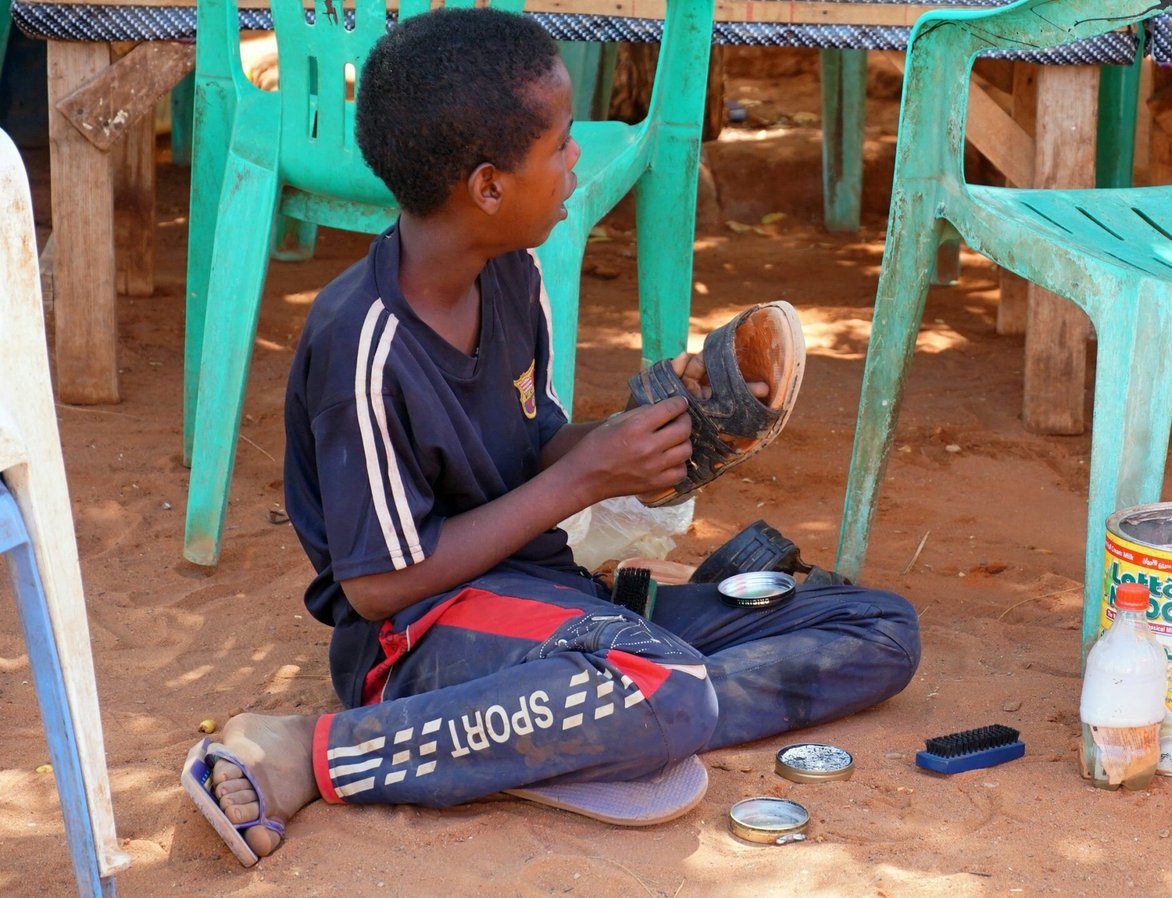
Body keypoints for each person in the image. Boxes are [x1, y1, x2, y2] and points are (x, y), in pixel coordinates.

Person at [182, 6, 920, 865]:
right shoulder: (364, 344)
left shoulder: (513, 274)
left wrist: (650, 434)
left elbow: (540, 452)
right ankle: (317, 751)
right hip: (423, 640)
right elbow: (382, 587)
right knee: (667, 685)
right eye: (562, 145)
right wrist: (582, 482)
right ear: (489, 187)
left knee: (876, 629)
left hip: (551, 598)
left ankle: (578, 721)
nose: (577, 162)